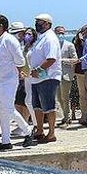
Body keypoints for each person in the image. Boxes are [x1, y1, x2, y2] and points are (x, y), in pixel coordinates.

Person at [0, 14, 34, 151]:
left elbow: (20, 60)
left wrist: (19, 71)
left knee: (8, 109)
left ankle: (28, 131)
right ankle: (6, 141)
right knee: (1, 110)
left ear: (1, 26)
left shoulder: (10, 40)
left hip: (8, 81)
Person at [26, 13, 62, 143]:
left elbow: (51, 58)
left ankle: (51, 133)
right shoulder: (41, 38)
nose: (37, 24)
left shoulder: (50, 38)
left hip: (48, 77)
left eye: (39, 22)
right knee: (37, 106)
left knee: (49, 106)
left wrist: (39, 70)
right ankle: (40, 131)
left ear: (47, 24)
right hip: (37, 78)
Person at [56, 25, 79, 126]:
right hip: (55, 75)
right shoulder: (53, 45)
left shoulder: (69, 45)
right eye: (58, 33)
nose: (60, 35)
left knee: (65, 97)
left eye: (62, 33)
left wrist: (63, 61)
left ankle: (68, 116)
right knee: (59, 97)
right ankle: (65, 115)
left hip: (66, 74)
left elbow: (75, 59)